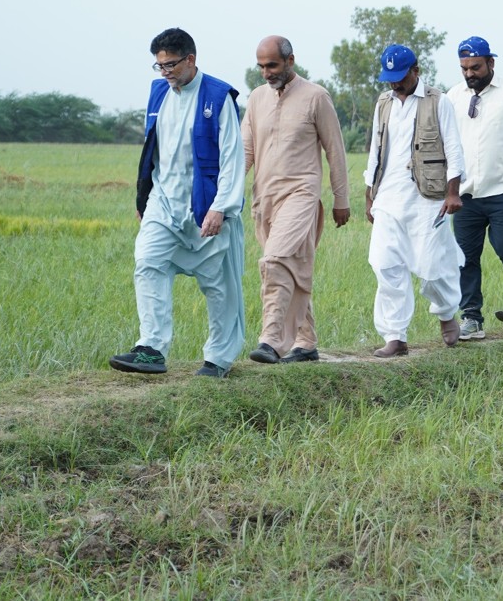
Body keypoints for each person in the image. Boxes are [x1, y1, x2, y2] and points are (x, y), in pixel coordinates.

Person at [111, 28, 246, 379]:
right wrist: (144, 197)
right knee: (147, 261)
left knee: (218, 286)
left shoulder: (218, 97)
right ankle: (151, 348)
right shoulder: (158, 94)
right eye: (159, 66)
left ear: (191, 59)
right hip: (163, 201)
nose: (166, 72)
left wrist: (221, 207)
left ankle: (218, 358)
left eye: (171, 64)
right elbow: (152, 150)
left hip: (206, 205)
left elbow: (232, 157)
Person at [242, 36, 350, 366]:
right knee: (294, 270)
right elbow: (245, 152)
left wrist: (341, 199)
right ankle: (306, 343)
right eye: (261, 66)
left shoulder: (316, 97)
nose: (266, 72)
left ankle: (271, 340)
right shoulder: (257, 98)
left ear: (290, 61)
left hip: (301, 196)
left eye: (272, 65)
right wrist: (224, 197)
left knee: (274, 262)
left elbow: (335, 149)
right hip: (265, 200)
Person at [363, 44, 466, 357]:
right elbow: (374, 150)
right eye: (389, 77)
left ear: (416, 71)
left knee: (431, 266)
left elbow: (454, 148)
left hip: (427, 197)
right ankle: (395, 335)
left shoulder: (438, 101)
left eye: (401, 76)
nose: (395, 83)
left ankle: (447, 312)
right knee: (384, 263)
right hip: (388, 196)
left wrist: (453, 192)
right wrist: (370, 194)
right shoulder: (384, 103)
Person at [446, 36, 503, 340]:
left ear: (491, 63)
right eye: (464, 68)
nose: (470, 73)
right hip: (466, 193)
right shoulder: (453, 97)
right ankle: (471, 317)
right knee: (465, 257)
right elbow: (448, 142)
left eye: (475, 67)